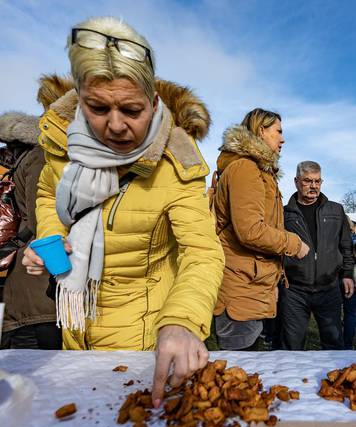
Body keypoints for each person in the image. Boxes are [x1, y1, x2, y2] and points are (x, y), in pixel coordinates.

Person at [22, 16, 224, 406]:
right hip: (75, 323)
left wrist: (181, 322)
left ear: (153, 104)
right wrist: (50, 236)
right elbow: (49, 193)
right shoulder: (61, 145)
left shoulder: (176, 163)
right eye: (98, 107)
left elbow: (202, 253)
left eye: (131, 110)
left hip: (141, 338)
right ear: (79, 101)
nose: (114, 126)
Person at [213, 108, 309, 350]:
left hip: (252, 286)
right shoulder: (246, 168)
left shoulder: (259, 171)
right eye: (278, 131)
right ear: (261, 131)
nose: (282, 139)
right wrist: (294, 244)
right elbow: (251, 230)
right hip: (239, 289)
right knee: (238, 372)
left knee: (250, 366)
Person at [278, 161, 354, 350]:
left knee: (334, 344)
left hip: (329, 288)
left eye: (317, 181)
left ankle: (336, 379)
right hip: (295, 290)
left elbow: (345, 246)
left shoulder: (336, 210)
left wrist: (346, 275)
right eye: (308, 181)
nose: (313, 186)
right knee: (291, 346)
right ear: (296, 181)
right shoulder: (283, 214)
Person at [0, 109, 59, 349]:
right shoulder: (40, 157)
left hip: (18, 289)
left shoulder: (15, 163)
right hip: (38, 296)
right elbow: (41, 219)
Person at [342, 216, 356, 349]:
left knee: (350, 314)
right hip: (349, 278)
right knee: (351, 314)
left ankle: (347, 345)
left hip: (347, 278)